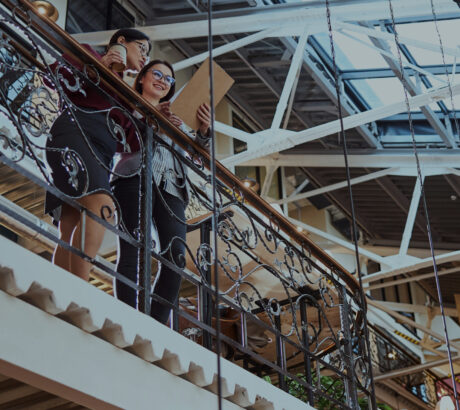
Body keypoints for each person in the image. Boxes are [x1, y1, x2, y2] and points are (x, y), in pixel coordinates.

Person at [45, 28, 150, 281]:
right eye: (142, 49)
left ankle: (59, 287)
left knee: (69, 224)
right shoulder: (88, 53)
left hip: (102, 153)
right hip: (76, 130)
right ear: (122, 41)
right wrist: (100, 65)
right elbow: (55, 76)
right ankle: (79, 290)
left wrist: (153, 114)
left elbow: (133, 144)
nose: (144, 57)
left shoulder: (126, 94)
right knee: (103, 206)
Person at [111, 59, 211, 324]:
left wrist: (202, 132)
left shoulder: (178, 117)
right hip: (134, 176)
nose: (163, 81)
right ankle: (124, 315)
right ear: (142, 78)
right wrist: (152, 119)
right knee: (132, 246)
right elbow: (119, 138)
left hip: (172, 186)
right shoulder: (127, 103)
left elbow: (198, 159)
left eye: (168, 79)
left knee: (176, 258)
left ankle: (153, 324)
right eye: (157, 74)